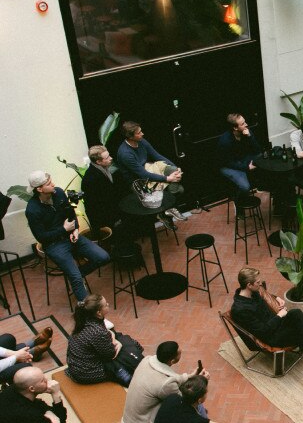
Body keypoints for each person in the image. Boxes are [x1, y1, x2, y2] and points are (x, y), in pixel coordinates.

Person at [231, 266, 303, 383]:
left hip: (277, 325)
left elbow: (264, 293)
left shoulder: (252, 292)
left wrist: (277, 298)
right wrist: (280, 315)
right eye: (258, 282)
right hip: (271, 337)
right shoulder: (240, 310)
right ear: (249, 285)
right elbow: (263, 331)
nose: (260, 284)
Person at [25, 170, 110, 302]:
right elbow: (41, 237)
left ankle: (77, 275)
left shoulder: (58, 192)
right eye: (49, 183)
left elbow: (70, 212)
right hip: (54, 245)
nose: (53, 184)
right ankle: (88, 313)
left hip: (72, 236)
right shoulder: (32, 210)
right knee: (75, 277)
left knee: (103, 257)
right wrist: (64, 229)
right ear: (40, 189)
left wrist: (75, 229)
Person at [123, 340, 207, 423]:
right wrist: (202, 381)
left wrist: (191, 376)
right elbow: (184, 401)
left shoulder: (146, 360)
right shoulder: (165, 385)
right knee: (197, 406)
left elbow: (172, 378)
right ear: (172, 361)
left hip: (130, 419)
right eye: (179, 352)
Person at [115, 120, 188, 224]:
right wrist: (168, 179)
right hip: (138, 181)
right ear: (130, 136)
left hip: (148, 169)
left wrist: (175, 167)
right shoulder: (125, 154)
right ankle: (167, 208)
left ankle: (168, 205)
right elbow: (142, 175)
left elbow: (156, 155)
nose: (142, 134)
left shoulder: (141, 141)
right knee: (179, 189)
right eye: (139, 133)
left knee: (173, 171)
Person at [0, 366, 77, 423]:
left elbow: (37, 402)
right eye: (43, 381)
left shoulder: (13, 389)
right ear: (32, 389)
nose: (47, 381)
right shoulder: (30, 415)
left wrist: (48, 412)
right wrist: (55, 395)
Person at [67, 294, 135, 387]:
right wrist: (117, 342)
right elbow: (110, 354)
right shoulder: (97, 331)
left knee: (120, 338)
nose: (108, 304)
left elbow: (106, 333)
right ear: (99, 312)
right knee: (125, 350)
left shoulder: (84, 320)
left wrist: (113, 337)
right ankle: (129, 380)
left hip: (75, 366)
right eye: (105, 305)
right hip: (87, 372)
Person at [81, 145, 132, 245]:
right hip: (104, 218)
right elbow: (99, 205)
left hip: (111, 211)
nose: (111, 158)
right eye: (107, 157)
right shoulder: (91, 179)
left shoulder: (102, 169)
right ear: (98, 162)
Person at [218, 112, 261, 200]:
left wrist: (250, 136)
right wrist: (246, 167)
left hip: (242, 159)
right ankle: (238, 204)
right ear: (235, 128)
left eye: (244, 122)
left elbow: (257, 151)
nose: (246, 125)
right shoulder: (225, 141)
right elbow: (227, 162)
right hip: (228, 166)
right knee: (245, 187)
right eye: (242, 124)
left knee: (262, 157)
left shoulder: (246, 131)